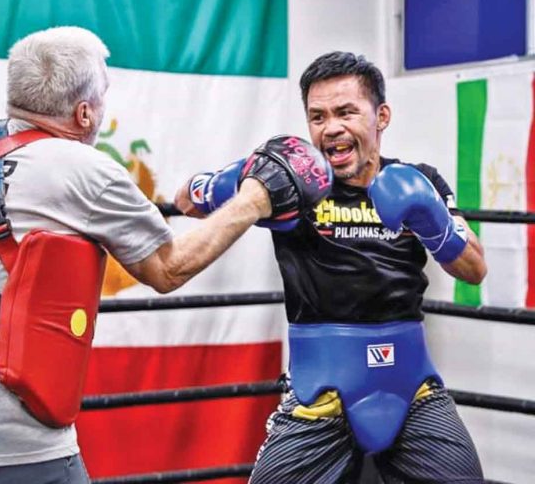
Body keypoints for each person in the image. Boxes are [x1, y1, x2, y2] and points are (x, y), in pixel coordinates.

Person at [0, 27, 331, 484]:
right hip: (7, 440)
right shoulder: (85, 169)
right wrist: (256, 198)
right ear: (84, 113)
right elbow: (168, 269)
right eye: (103, 95)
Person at [175, 51, 487, 483]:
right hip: (318, 393)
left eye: (346, 112)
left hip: (413, 389)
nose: (331, 128)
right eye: (317, 117)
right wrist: (233, 181)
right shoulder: (291, 187)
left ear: (381, 116)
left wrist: (433, 220)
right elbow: (184, 201)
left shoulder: (421, 181)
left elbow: (474, 269)